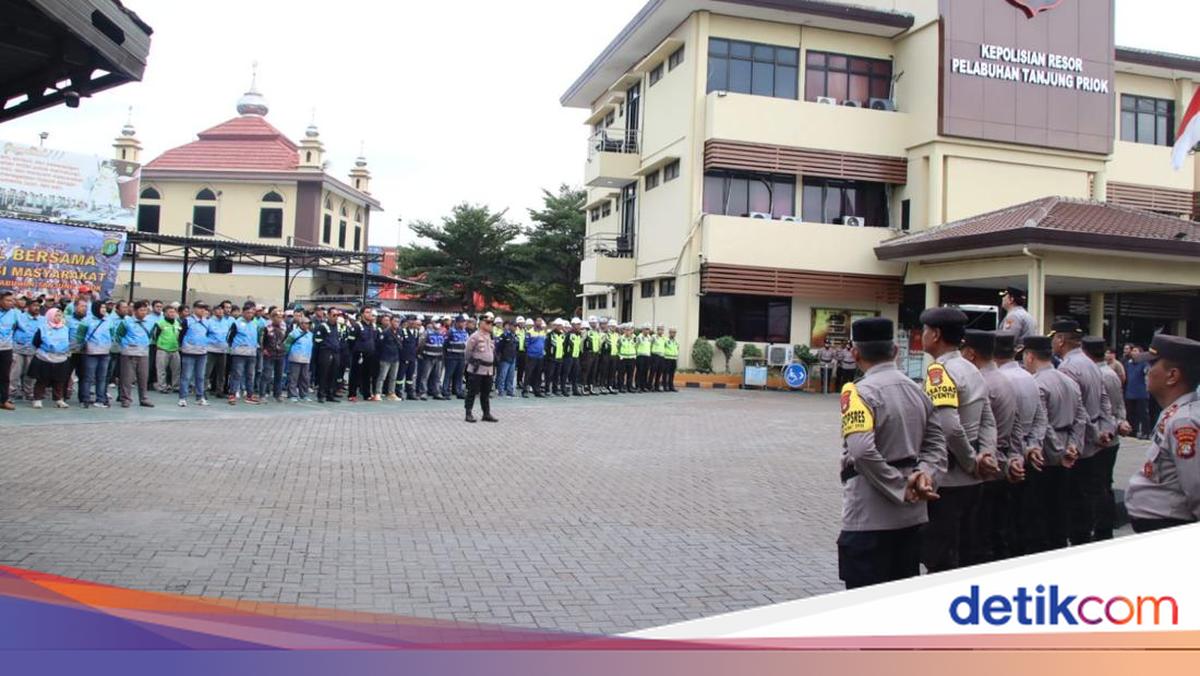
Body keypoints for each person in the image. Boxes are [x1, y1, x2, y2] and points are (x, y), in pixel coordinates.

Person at [837, 317, 946, 590]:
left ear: (855, 353)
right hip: (911, 518)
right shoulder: (919, 391)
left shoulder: (859, 393)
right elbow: (936, 445)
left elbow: (861, 451)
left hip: (868, 517)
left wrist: (900, 487)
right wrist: (923, 476)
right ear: (895, 352)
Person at [918, 307, 999, 573]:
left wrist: (970, 461)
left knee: (941, 558)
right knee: (967, 550)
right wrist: (986, 454)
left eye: (926, 330)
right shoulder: (972, 368)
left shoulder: (939, 373)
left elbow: (949, 427)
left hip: (949, 476)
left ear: (936, 334)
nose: (923, 335)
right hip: (972, 479)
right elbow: (988, 419)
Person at [1124, 334, 1200, 532]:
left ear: (1172, 376)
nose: (1146, 371)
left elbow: (1196, 488)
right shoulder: (1174, 411)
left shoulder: (1185, 422)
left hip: (1167, 524)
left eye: (1152, 365)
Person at [960, 330, 1022, 565]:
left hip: (985, 464)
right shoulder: (1004, 379)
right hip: (1001, 460)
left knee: (979, 537)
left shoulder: (981, 383)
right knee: (996, 530)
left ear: (971, 354)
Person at [1052, 320, 1113, 546]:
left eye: (1054, 338)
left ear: (1060, 340)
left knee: (1076, 498)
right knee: (1088, 494)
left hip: (1079, 442)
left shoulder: (1068, 368)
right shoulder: (1090, 363)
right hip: (1093, 439)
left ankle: (1079, 541)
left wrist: (1096, 432)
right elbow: (1105, 400)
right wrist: (1105, 428)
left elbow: (1077, 409)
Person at [1022, 335, 1085, 552]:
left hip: (1046, 456)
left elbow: (1043, 424)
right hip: (1067, 449)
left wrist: (1059, 452)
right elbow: (1081, 417)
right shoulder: (1068, 381)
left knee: (1041, 510)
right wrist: (1073, 446)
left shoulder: (1037, 383)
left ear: (1030, 357)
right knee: (1060, 508)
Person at [994, 332, 1047, 557]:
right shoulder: (1029, 378)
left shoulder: (1000, 380)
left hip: (1005, 456)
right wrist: (1032, 444)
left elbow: (1005, 424)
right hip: (1028, 453)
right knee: (1022, 514)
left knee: (1002, 519)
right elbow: (1040, 418)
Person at [1085, 336, 1130, 541]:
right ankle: (1104, 527)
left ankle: (1102, 528)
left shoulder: (1101, 375)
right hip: (1110, 435)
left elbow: (1110, 407)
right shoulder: (1109, 373)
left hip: (1102, 438)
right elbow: (1119, 406)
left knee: (1098, 486)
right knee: (1103, 484)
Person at [29, 307, 73, 408]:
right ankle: (37, 399)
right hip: (45, 357)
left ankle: (59, 399)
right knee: (42, 380)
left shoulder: (65, 328)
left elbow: (68, 340)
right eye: (56, 315)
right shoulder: (43, 328)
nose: (58, 317)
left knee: (59, 380)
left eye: (60, 315)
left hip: (61, 358)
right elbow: (36, 342)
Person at [115, 300, 155, 408]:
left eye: (145, 310)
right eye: (141, 310)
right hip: (129, 352)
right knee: (127, 378)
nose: (144, 312)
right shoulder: (126, 322)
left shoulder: (150, 322)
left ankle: (144, 398)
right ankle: (126, 399)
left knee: (143, 377)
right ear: (135, 311)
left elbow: (151, 335)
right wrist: (126, 344)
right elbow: (118, 335)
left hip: (143, 352)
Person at [464, 314, 498, 423]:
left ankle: (486, 413)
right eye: (488, 323)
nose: (490, 325)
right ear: (481, 323)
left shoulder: (490, 336)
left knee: (486, 393)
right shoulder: (475, 336)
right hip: (477, 368)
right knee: (472, 392)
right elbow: (467, 352)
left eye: (491, 323)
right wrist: (473, 362)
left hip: (488, 369)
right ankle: (468, 413)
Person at [226, 302, 262, 405]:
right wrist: (234, 348)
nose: (250, 315)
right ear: (243, 312)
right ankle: (232, 394)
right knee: (236, 374)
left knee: (251, 375)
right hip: (239, 353)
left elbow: (258, 338)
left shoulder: (255, 324)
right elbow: (229, 337)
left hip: (252, 353)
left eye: (251, 313)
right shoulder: (236, 323)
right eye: (247, 312)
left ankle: (249, 395)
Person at [177, 301, 211, 407]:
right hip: (189, 352)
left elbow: (208, 334)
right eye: (200, 308)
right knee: (186, 376)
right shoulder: (187, 321)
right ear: (195, 309)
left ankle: (200, 397)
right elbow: (181, 335)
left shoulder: (207, 322)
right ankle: (182, 398)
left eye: (204, 308)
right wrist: (183, 346)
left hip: (202, 352)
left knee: (200, 376)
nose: (202, 310)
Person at [10, 298, 40, 401]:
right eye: (34, 305)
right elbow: (12, 329)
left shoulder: (43, 320)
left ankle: (29, 393)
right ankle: (11, 393)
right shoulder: (19, 317)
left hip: (33, 350)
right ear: (27, 307)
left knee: (30, 374)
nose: (36, 308)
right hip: (18, 349)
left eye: (38, 306)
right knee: (14, 373)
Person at [313, 307, 342, 403]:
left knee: (333, 374)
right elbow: (317, 341)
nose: (336, 317)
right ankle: (321, 395)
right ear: (329, 315)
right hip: (325, 352)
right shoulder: (322, 326)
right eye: (334, 315)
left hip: (336, 352)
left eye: (337, 315)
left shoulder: (338, 326)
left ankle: (330, 394)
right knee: (323, 374)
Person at [151, 304, 182, 394]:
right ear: (164, 313)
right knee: (161, 369)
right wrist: (159, 344)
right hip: (162, 349)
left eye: (173, 312)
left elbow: (180, 334)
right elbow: (154, 335)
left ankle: (176, 386)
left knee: (176, 369)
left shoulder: (177, 322)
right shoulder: (159, 323)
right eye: (170, 312)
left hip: (175, 349)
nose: (172, 314)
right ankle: (162, 387)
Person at [261, 309, 289, 403]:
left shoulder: (284, 327)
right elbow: (261, 339)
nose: (279, 319)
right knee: (266, 375)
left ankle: (277, 394)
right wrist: (264, 349)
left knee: (279, 375)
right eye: (277, 317)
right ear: (272, 317)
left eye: (281, 317)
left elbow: (287, 339)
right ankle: (262, 394)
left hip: (281, 354)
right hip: (269, 354)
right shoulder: (267, 327)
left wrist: (284, 348)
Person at [204, 303, 232, 399]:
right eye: (218, 310)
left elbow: (228, 335)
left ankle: (219, 391)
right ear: (214, 311)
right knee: (207, 372)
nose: (220, 312)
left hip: (223, 350)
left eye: (221, 310)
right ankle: (202, 390)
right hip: (211, 350)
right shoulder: (209, 322)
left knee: (221, 373)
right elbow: (205, 334)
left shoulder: (225, 322)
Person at [284, 315, 314, 402]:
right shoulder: (294, 333)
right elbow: (287, 344)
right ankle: (292, 394)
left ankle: (303, 394)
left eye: (309, 324)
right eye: (306, 323)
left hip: (306, 358)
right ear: (301, 324)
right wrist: (288, 353)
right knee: (294, 377)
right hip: (295, 358)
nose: (307, 325)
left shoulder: (310, 334)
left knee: (305, 377)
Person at [1124, 345, 1151, 439]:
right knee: (1131, 413)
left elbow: (1147, 374)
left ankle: (1146, 432)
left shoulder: (1144, 364)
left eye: (1136, 351)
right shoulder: (1129, 363)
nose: (1133, 353)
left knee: (1143, 414)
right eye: (1133, 351)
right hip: (1130, 392)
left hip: (1141, 392)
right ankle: (1132, 431)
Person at [376, 313, 402, 401]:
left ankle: (391, 393)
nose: (396, 323)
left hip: (395, 357)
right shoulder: (386, 332)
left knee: (393, 377)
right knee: (382, 377)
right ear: (391, 322)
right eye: (395, 321)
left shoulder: (399, 331)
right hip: (385, 357)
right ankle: (378, 393)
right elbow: (379, 345)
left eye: (398, 322)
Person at [443, 314, 470, 399]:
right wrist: (446, 355)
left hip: (461, 357)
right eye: (461, 322)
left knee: (459, 375)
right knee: (449, 374)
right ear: (457, 323)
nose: (463, 324)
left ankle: (458, 390)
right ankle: (445, 390)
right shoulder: (451, 331)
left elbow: (467, 344)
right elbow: (445, 344)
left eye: (464, 322)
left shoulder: (465, 332)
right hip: (452, 356)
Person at [0, 290, 17, 411]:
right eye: (8, 300)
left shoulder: (14, 313)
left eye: (12, 300)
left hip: (6, 348)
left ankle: (3, 400)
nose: (11, 303)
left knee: (5, 376)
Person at [398, 314, 421, 400]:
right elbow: (400, 344)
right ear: (407, 321)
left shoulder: (416, 332)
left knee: (410, 377)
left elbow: (417, 344)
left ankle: (410, 392)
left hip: (412, 357)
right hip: (404, 357)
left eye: (414, 320)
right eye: (411, 320)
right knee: (400, 376)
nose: (413, 322)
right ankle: (399, 392)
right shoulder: (402, 331)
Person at [523, 319, 547, 398]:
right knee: (528, 374)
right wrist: (531, 351)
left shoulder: (543, 332)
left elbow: (544, 343)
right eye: (538, 321)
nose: (539, 323)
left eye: (540, 322)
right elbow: (526, 344)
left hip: (540, 356)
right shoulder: (530, 332)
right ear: (535, 322)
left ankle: (537, 390)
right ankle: (525, 391)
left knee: (538, 374)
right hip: (531, 356)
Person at [495, 319, 518, 397]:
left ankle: (509, 390)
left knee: (511, 376)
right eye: (513, 326)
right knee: (502, 375)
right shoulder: (504, 336)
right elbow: (498, 348)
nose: (515, 328)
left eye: (516, 326)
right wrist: (499, 357)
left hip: (512, 358)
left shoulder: (515, 336)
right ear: (510, 326)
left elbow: (516, 348)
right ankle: (500, 390)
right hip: (504, 359)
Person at [617, 323, 637, 393]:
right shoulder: (621, 338)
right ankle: (621, 386)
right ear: (624, 330)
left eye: (629, 330)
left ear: (632, 330)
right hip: (623, 358)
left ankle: (629, 386)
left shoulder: (635, 338)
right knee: (621, 373)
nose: (628, 331)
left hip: (631, 358)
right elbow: (618, 347)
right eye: (626, 330)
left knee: (630, 374)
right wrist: (620, 355)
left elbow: (636, 347)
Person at [662, 328, 680, 392]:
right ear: (669, 333)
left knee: (672, 374)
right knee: (665, 373)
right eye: (672, 332)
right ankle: (664, 386)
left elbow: (677, 349)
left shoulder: (676, 341)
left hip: (674, 359)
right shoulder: (666, 340)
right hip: (667, 358)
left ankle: (671, 386)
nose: (673, 334)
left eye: (675, 332)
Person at [650, 324, 667, 392]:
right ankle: (650, 385)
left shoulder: (664, 338)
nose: (661, 331)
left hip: (662, 356)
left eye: (662, 329)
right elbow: (650, 345)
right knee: (653, 372)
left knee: (659, 372)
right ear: (657, 330)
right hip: (655, 355)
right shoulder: (653, 337)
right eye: (659, 329)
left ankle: (657, 386)